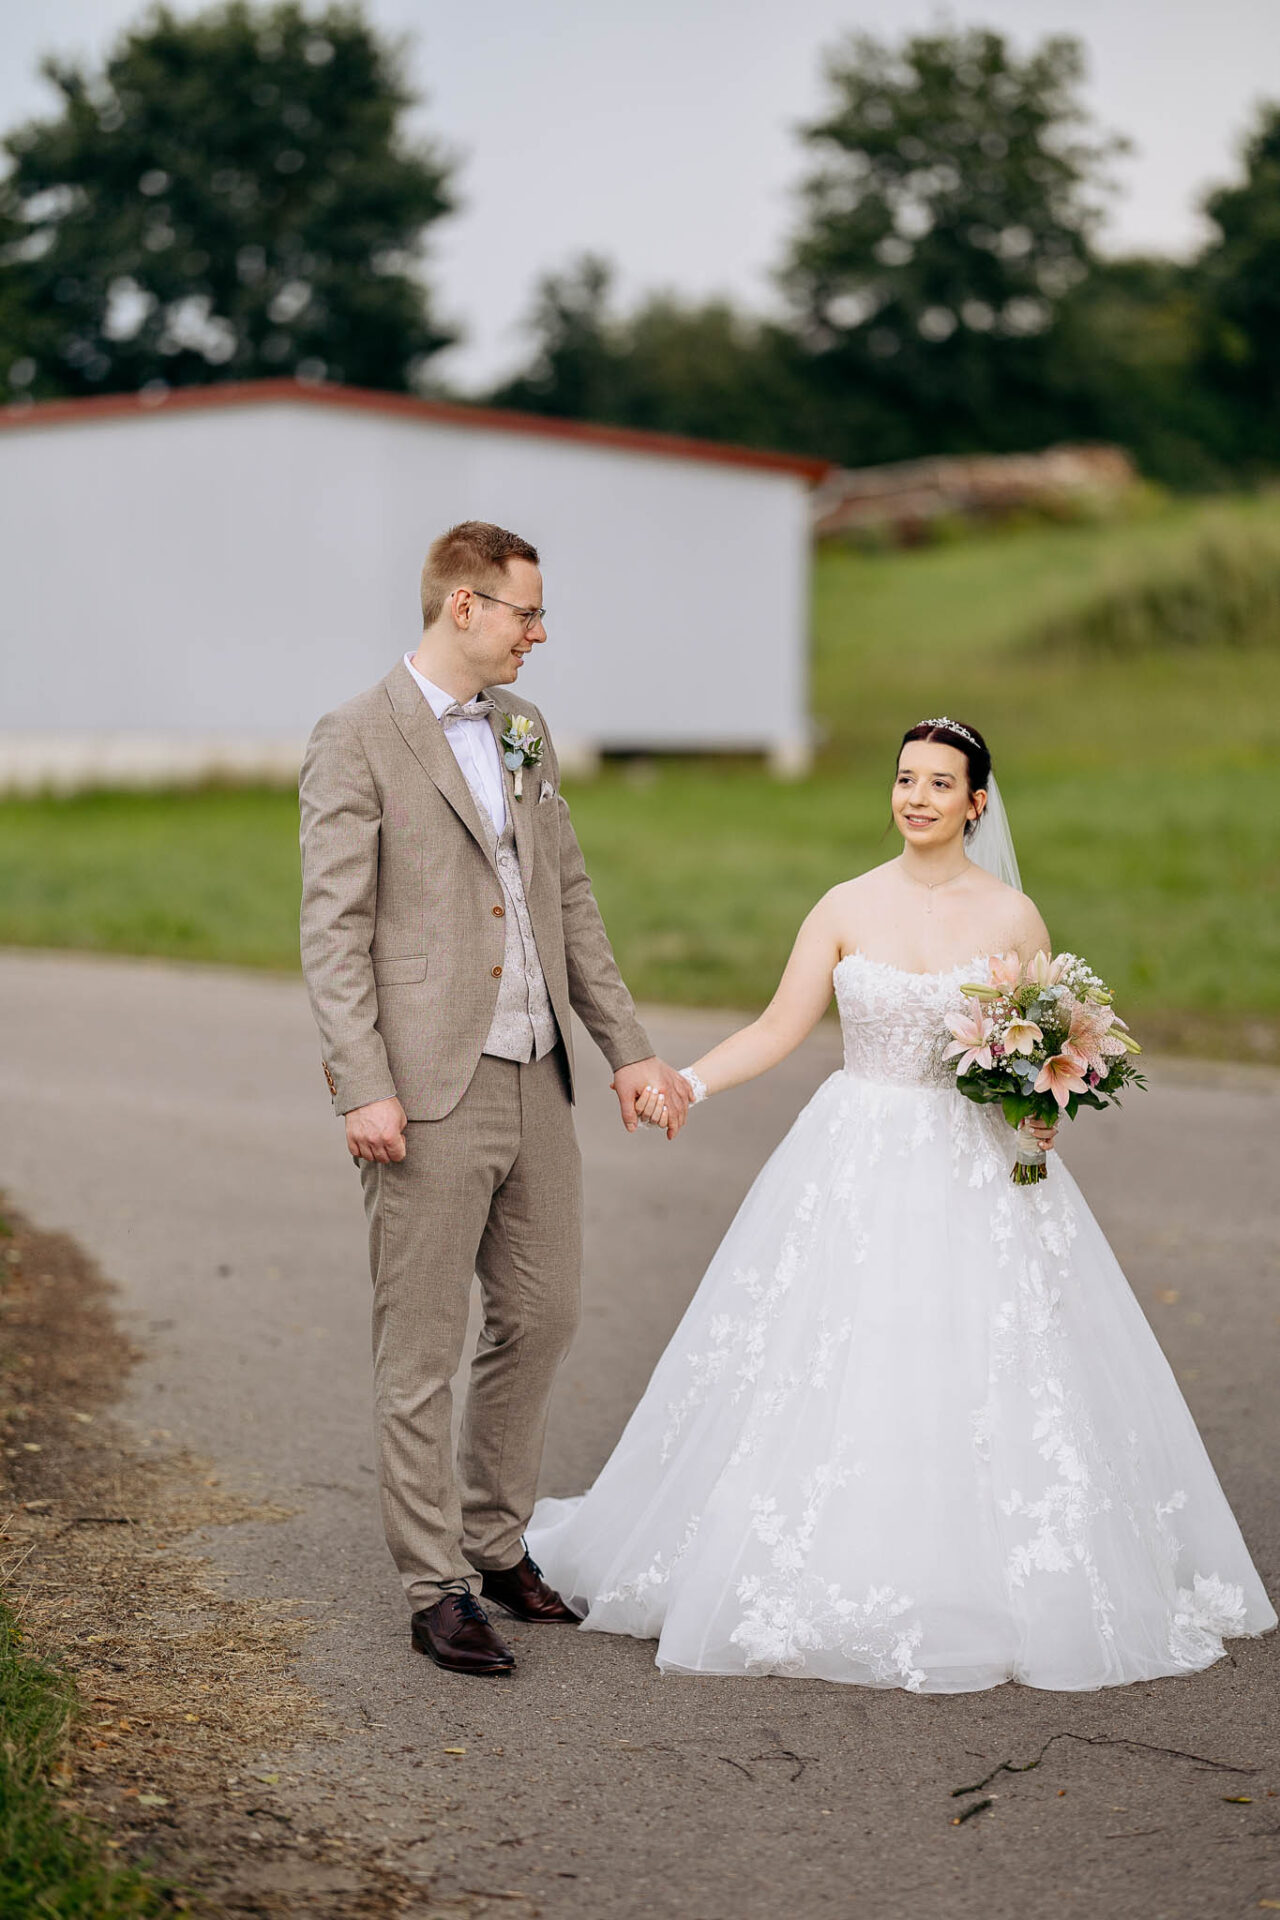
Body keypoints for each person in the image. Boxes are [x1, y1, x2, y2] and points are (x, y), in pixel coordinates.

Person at [526, 719, 1276, 1691]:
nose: (915, 796)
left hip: (972, 1160)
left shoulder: (1012, 919)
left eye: (938, 783)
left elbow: (1039, 1042)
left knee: (984, 1359)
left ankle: (983, 1571)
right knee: (837, 1348)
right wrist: (688, 1084)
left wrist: (1041, 1108)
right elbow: (777, 1026)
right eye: (903, 778)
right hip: (855, 1151)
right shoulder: (844, 905)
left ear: (975, 803)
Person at [299, 520, 691, 1679]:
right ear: (461, 607)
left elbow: (565, 896)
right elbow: (332, 932)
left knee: (543, 1314)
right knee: (418, 1345)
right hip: (420, 1089)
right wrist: (361, 1086)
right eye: (525, 611)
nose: (540, 631)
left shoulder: (523, 731)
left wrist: (622, 1048)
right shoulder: (353, 737)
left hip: (536, 1070)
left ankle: (497, 1537)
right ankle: (435, 1585)